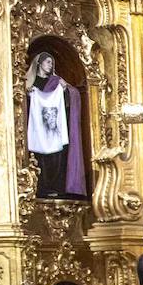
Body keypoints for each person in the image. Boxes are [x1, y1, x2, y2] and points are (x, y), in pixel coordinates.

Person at [25, 51, 87, 199]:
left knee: (58, 157)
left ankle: (57, 187)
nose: (50, 65)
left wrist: (66, 90)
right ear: (39, 63)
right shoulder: (30, 84)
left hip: (54, 130)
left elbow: (73, 96)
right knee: (39, 159)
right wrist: (28, 94)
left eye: (52, 63)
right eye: (48, 62)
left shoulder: (56, 81)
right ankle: (41, 188)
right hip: (38, 130)